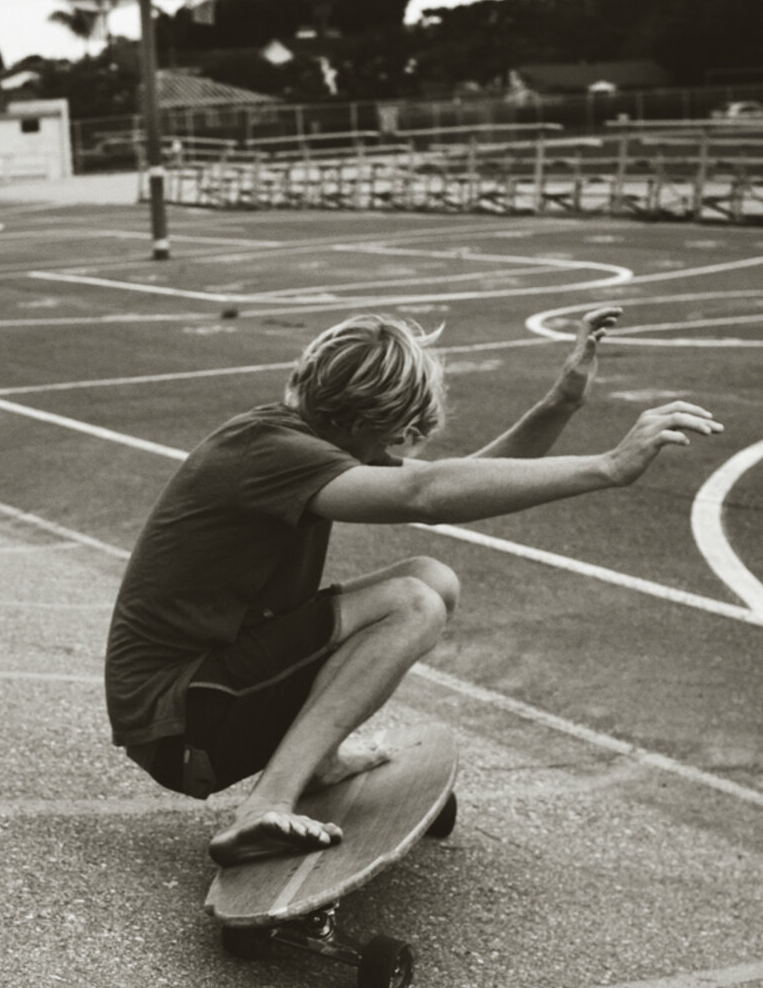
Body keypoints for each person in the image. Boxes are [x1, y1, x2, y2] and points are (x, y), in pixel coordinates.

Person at [104, 307, 722, 867]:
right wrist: (608, 467)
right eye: (391, 433)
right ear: (357, 418)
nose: (393, 448)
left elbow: (463, 480)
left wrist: (560, 403)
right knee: (412, 603)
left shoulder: (298, 436)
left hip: (205, 694)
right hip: (179, 722)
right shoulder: (271, 452)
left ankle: (313, 766)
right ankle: (263, 807)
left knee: (431, 577)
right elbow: (427, 495)